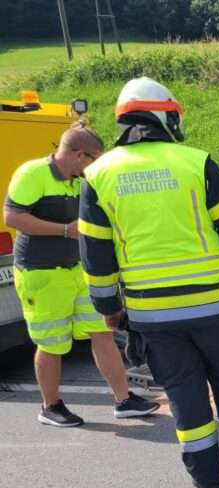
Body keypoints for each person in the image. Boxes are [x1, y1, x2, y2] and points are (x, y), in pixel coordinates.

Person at [78, 77, 219, 488]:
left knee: (183, 390)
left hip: (153, 314)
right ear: (163, 114)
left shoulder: (97, 174)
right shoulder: (195, 161)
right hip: (214, 305)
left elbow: (95, 252)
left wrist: (108, 306)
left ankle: (205, 477)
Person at [3, 123, 159, 427]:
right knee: (51, 343)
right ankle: (50, 406)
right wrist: (65, 230)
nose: (93, 167)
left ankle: (124, 400)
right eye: (92, 160)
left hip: (79, 271)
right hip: (41, 273)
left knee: (101, 332)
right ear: (76, 154)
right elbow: (12, 217)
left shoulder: (81, 179)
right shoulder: (31, 174)